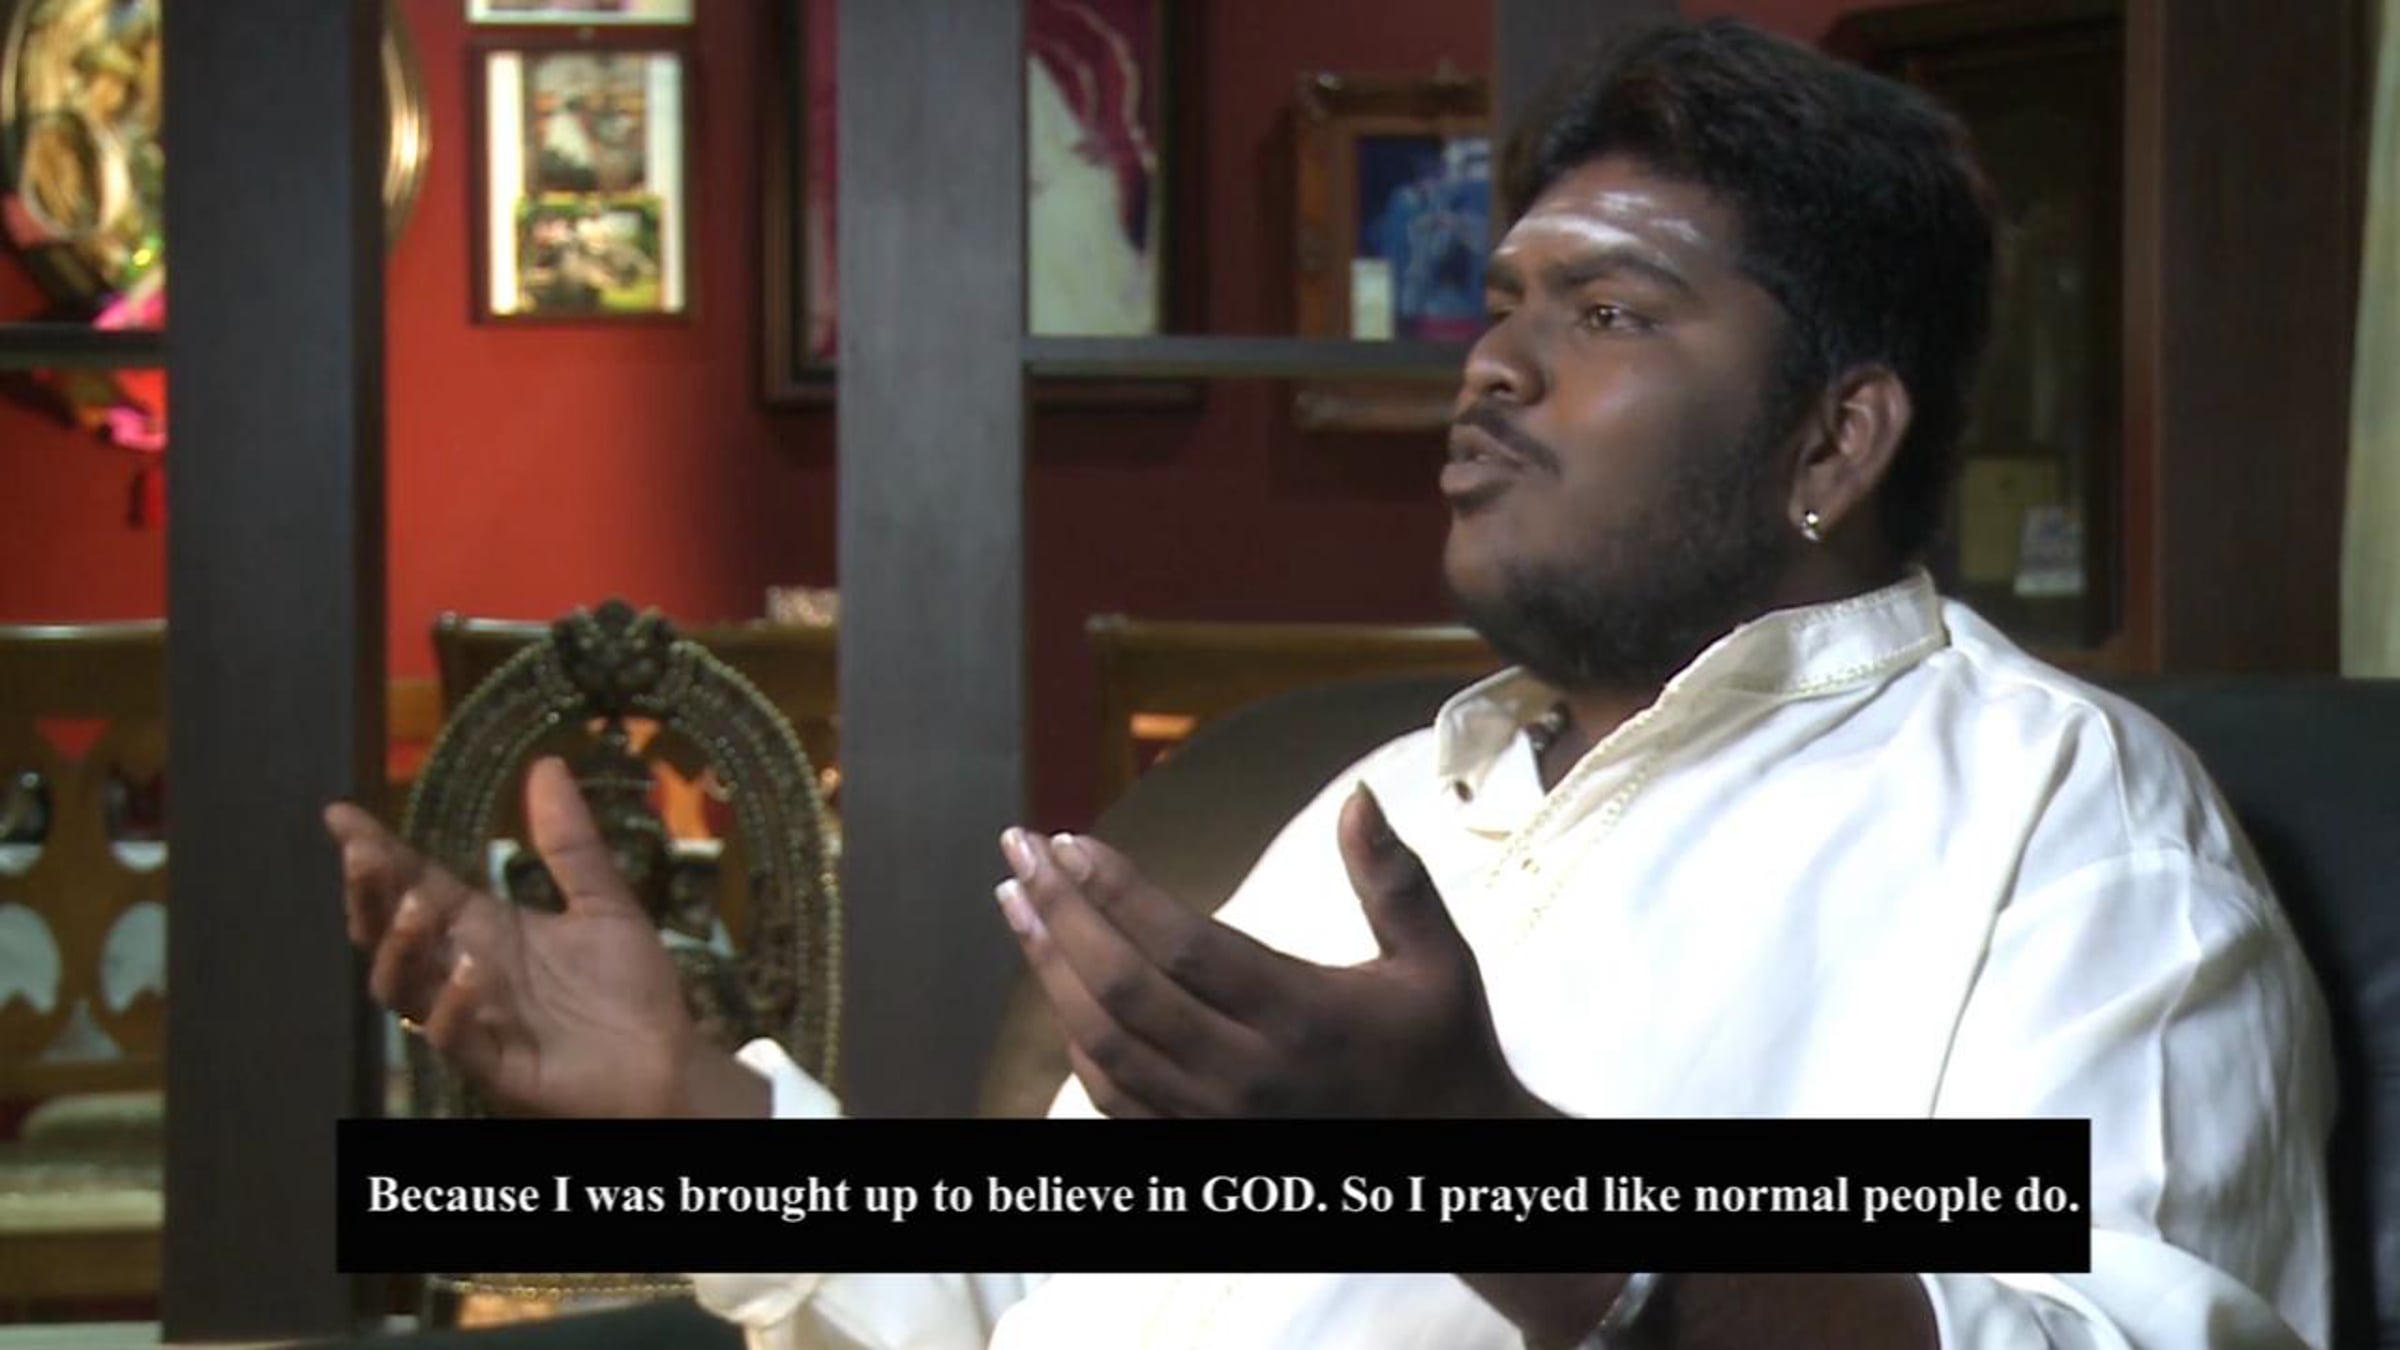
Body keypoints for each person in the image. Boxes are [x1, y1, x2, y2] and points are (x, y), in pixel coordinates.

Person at [327, 19, 2333, 1349]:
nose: (1494, 366)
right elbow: (1024, 1308)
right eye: (1502, 304)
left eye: (1609, 312)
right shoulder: (1383, 807)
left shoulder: (2059, 824)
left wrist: (1513, 1183)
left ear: (1836, 437)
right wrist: (693, 1109)